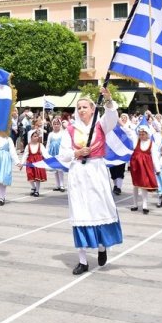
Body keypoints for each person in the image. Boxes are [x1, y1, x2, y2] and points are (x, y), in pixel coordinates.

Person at [56, 88, 123, 275]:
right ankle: (83, 260)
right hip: (78, 172)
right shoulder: (70, 129)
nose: (81, 110)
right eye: (79, 107)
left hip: (96, 170)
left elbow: (112, 116)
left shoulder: (101, 124)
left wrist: (108, 99)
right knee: (80, 211)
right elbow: (62, 154)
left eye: (85, 107)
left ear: (93, 109)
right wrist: (76, 153)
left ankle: (102, 247)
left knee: (99, 208)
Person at [129, 126, 159, 215]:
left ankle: (145, 205)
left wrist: (157, 168)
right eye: (140, 134)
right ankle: (135, 204)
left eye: (143, 134)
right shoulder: (136, 141)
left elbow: (154, 156)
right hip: (136, 166)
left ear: (147, 134)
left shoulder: (151, 143)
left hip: (146, 166)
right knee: (135, 185)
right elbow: (131, 153)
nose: (141, 136)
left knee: (144, 185)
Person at [21, 130, 48, 197]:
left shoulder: (40, 145)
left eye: (37, 136)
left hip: (38, 163)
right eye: (34, 136)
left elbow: (45, 154)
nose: (36, 138)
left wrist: (51, 159)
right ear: (31, 137)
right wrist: (21, 163)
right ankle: (33, 187)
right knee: (30, 175)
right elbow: (25, 155)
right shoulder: (28, 146)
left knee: (37, 176)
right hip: (30, 163)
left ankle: (37, 191)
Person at [47, 117, 67, 193]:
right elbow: (48, 144)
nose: (56, 125)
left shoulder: (63, 133)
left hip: (60, 153)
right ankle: (57, 185)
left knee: (60, 169)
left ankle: (62, 185)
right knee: (55, 169)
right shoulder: (50, 134)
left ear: (60, 125)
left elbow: (65, 143)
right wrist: (46, 154)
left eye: (57, 124)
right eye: (54, 124)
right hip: (52, 153)